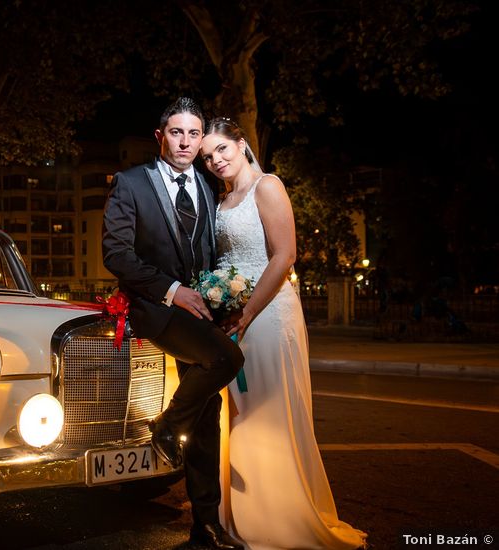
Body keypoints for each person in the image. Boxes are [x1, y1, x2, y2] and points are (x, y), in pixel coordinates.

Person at [200, 117, 367, 549]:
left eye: (221, 149)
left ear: (241, 144)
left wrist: (247, 311)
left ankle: (282, 519)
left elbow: (285, 255)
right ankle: (245, 516)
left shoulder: (267, 186)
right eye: (208, 156)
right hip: (236, 316)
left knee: (270, 409)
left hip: (268, 314)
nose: (216, 160)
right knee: (241, 412)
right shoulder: (222, 200)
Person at [103, 97, 245, 550]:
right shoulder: (130, 183)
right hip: (158, 310)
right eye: (177, 132)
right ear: (160, 135)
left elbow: (209, 250)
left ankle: (205, 526)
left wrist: (222, 292)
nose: (186, 142)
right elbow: (117, 254)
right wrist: (172, 291)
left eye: (194, 134)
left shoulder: (206, 184)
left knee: (208, 415)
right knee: (225, 359)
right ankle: (166, 426)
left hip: (201, 311)